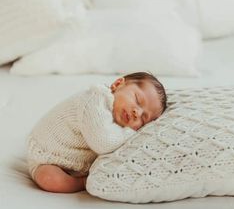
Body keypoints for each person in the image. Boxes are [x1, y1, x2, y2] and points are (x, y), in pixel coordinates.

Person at [27, 72, 167, 193]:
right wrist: (130, 132)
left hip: (72, 161)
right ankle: (83, 182)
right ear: (117, 84)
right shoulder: (95, 100)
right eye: (137, 100)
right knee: (50, 179)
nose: (137, 112)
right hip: (46, 155)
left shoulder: (116, 123)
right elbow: (103, 143)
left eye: (143, 118)